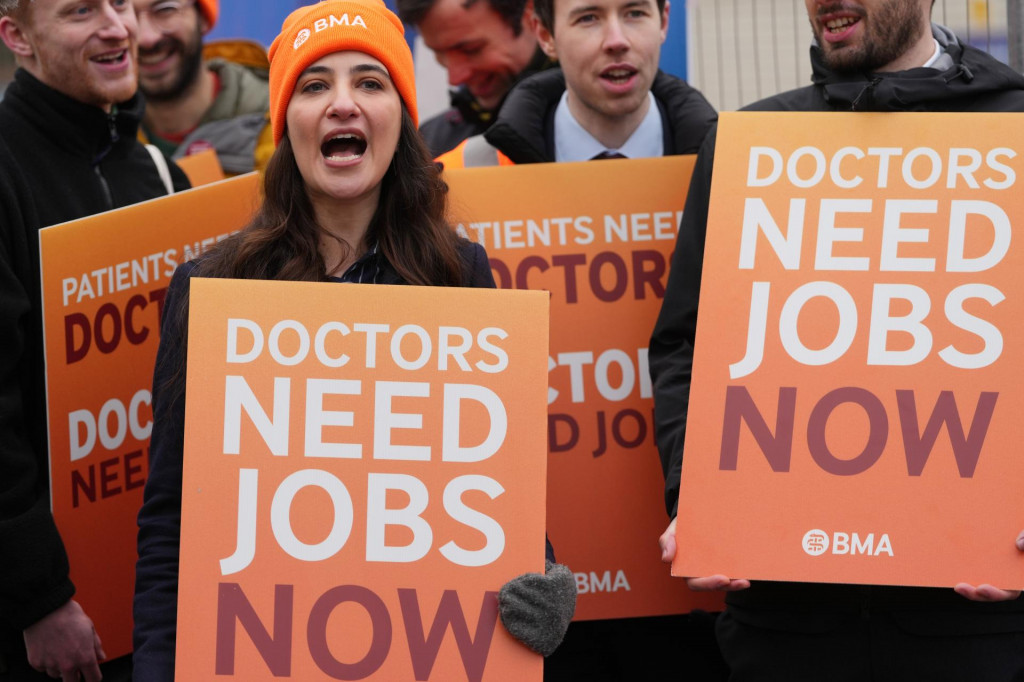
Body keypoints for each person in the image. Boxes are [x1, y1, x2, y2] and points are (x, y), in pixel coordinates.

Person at [131, 2, 576, 679]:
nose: (343, 104)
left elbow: (493, 489)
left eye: (370, 83)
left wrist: (539, 579)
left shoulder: (460, 276)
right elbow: (171, 518)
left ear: (400, 115)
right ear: (286, 124)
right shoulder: (213, 287)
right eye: (315, 86)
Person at [650, 1, 1024, 680]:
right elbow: (686, 346)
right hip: (786, 628)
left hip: (977, 628)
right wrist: (698, 498)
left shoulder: (1012, 132)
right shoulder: (753, 143)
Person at [0, 0, 190, 680]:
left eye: (122, 3)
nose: (119, 27)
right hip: (52, 629)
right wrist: (37, 599)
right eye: (81, 10)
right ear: (16, 36)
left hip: (161, 594)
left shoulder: (158, 171)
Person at [435, 0, 716, 167]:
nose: (617, 41)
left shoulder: (735, 172)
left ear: (663, 21)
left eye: (635, 13)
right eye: (588, 18)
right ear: (545, 35)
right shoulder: (465, 173)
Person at [395, 0, 551, 157]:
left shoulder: (572, 122)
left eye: (471, 49)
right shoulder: (430, 143)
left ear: (530, 16)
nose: (455, 78)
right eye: (439, 54)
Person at [134, 0, 273, 174]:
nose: (146, 39)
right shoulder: (99, 141)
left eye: (165, 10)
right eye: (127, 14)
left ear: (203, 18)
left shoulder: (282, 127)